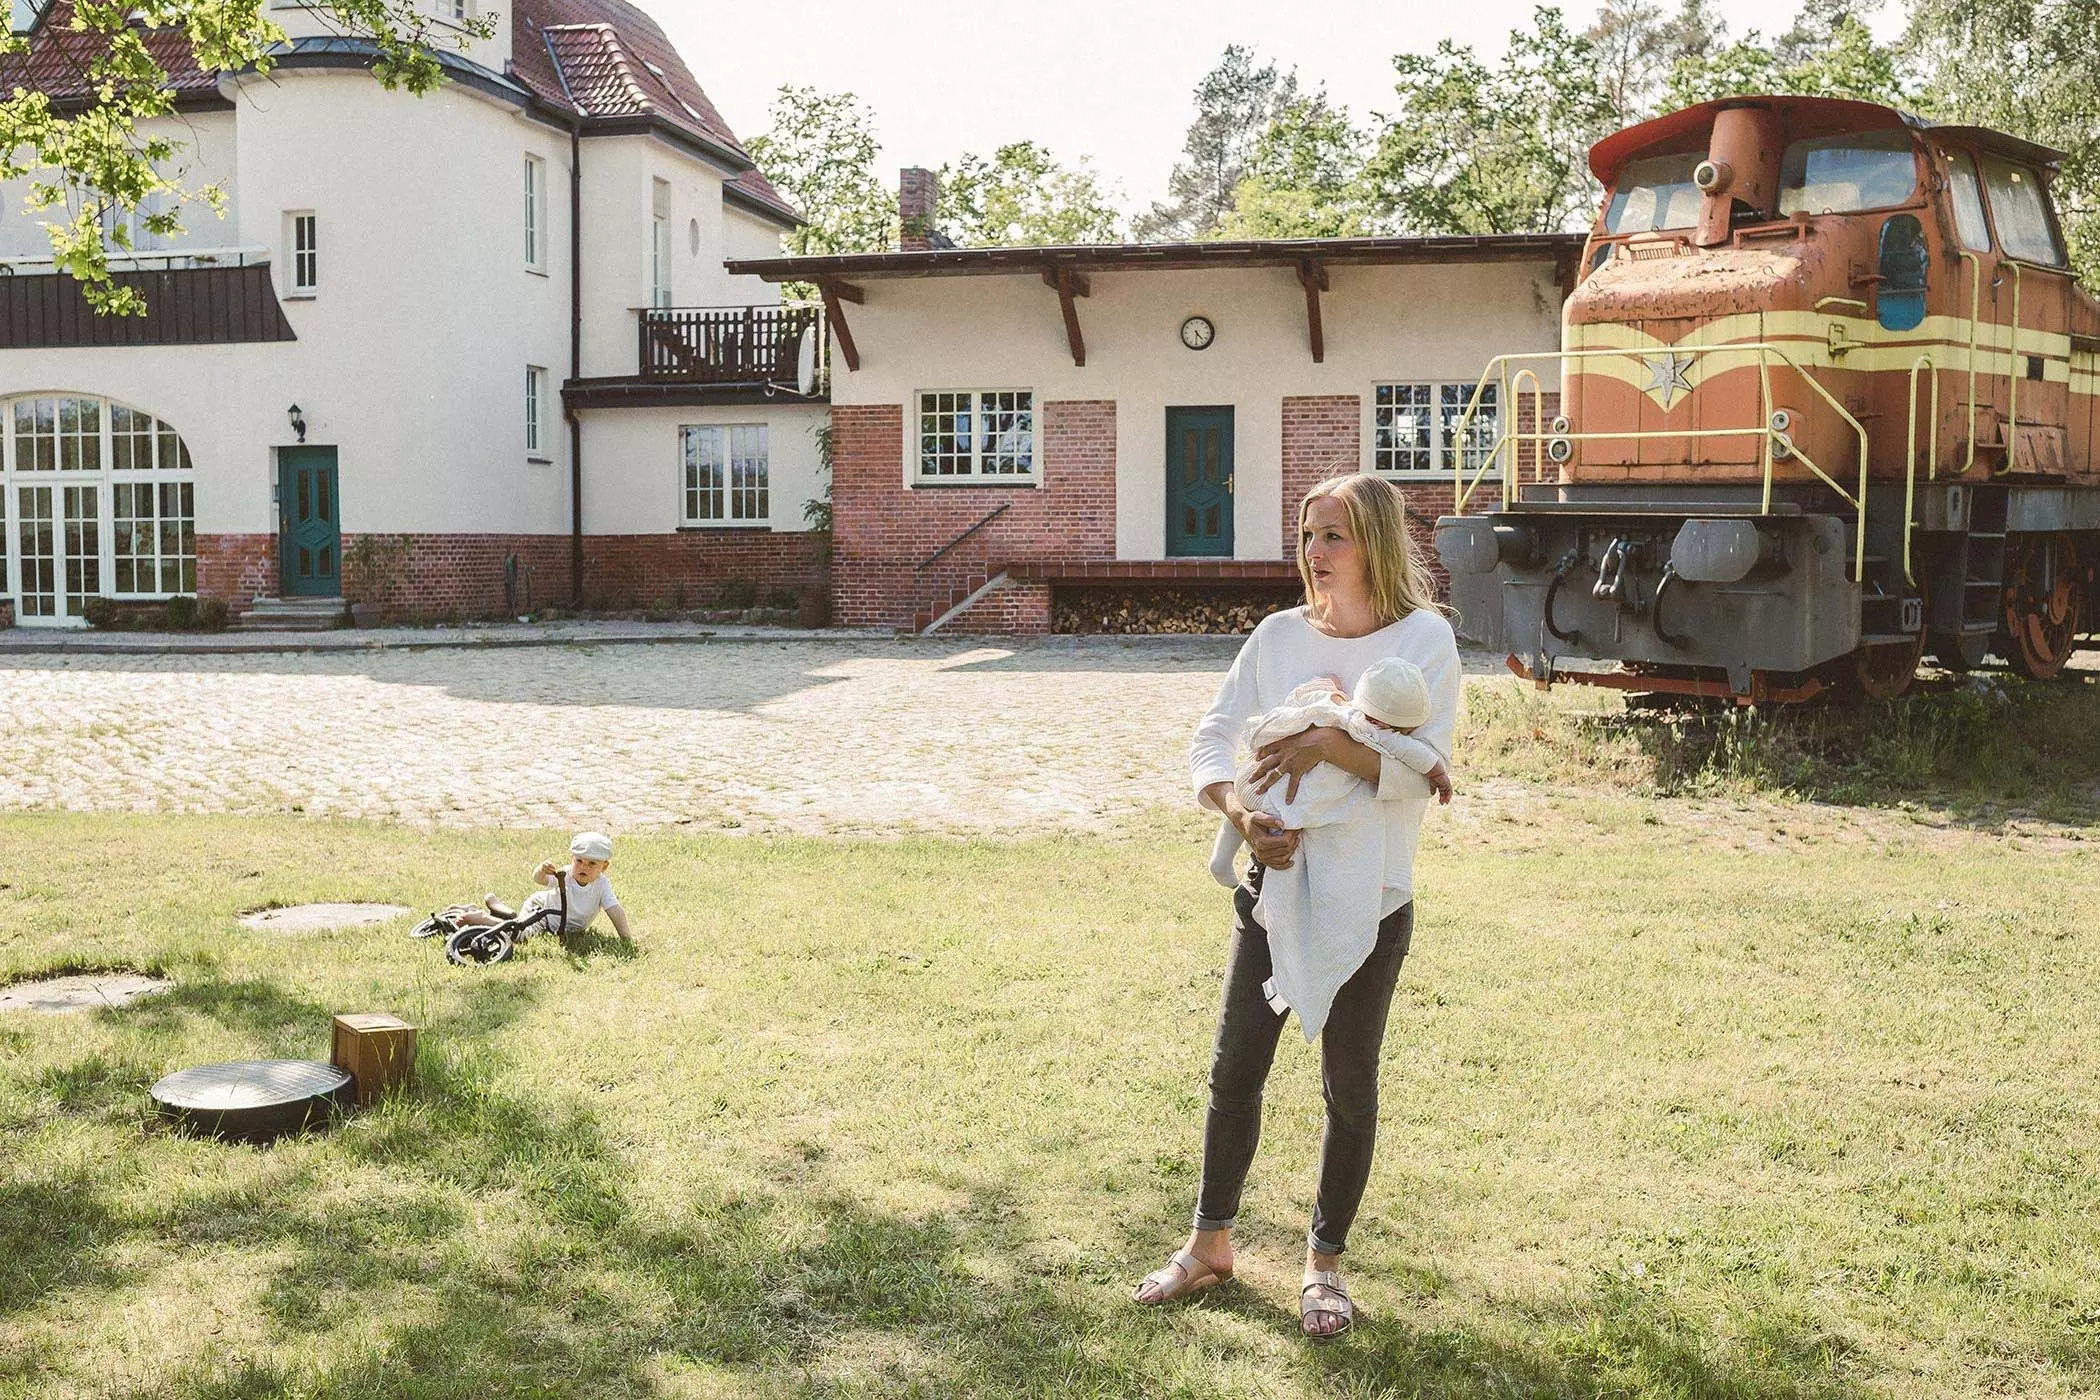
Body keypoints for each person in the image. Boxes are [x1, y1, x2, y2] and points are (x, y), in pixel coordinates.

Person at [1134, 473, 1461, 1340]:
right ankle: (1209, 1245)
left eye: (1334, 538)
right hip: (1272, 889)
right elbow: (1213, 735)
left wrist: (1326, 741)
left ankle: (1324, 1268)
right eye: (1308, 536)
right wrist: (1242, 816)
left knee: (1348, 1084)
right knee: (1235, 1069)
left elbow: (1422, 771)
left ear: (1377, 546)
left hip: (1371, 896)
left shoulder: (1424, 640)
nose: (1315, 555)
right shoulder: (1277, 637)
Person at [441, 831, 633, 943]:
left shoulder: (602, 885)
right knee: (520, 934)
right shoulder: (564, 876)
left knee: (517, 924)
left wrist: (626, 939)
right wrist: (542, 870)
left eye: (592, 864)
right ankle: (478, 918)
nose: (583, 867)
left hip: (559, 925)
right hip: (543, 912)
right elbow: (539, 880)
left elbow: (614, 910)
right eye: (579, 861)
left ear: (604, 867)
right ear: (571, 859)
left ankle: (487, 908)